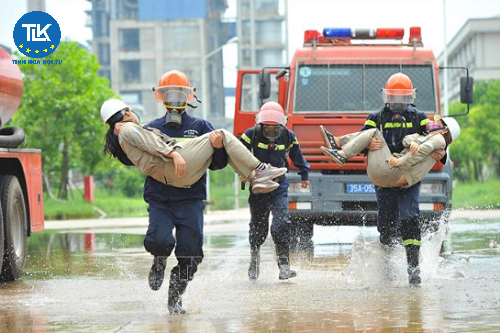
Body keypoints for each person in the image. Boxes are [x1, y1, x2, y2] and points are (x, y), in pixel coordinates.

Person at [103, 70, 223, 315]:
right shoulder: (149, 128)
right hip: (161, 198)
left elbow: (217, 163)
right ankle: (159, 260)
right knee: (160, 240)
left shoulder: (201, 127)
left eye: (180, 95)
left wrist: (219, 148)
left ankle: (175, 298)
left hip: (191, 198)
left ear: (189, 97)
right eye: (169, 95)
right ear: (160, 97)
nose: (175, 101)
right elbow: (130, 159)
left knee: (191, 255)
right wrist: (120, 134)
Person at [323, 72, 447, 285]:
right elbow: (362, 142)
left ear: (410, 97)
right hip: (385, 170)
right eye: (394, 97)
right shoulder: (376, 117)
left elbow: (436, 137)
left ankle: (413, 268)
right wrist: (370, 145)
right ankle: (388, 269)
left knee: (410, 218)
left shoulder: (419, 117)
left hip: (407, 175)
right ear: (386, 97)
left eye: (403, 98)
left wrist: (441, 153)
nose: (398, 102)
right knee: (386, 225)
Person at [101, 99, 287, 192]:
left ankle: (254, 177)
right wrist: (173, 154)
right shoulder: (127, 130)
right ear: (125, 113)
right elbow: (152, 144)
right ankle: (260, 170)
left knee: (220, 141)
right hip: (171, 165)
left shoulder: (122, 135)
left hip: (173, 178)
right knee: (221, 134)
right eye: (130, 111)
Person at [240, 102, 311, 280]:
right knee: (259, 227)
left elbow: (298, 156)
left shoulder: (288, 136)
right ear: (260, 125)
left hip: (279, 185)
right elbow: (236, 154)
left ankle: (284, 266)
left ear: (281, 125)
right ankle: (254, 257)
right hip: (258, 186)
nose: (271, 132)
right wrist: (241, 173)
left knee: (282, 223)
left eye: (274, 128)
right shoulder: (251, 134)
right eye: (267, 128)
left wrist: (304, 175)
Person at [320, 116, 460, 189]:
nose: (433, 124)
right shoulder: (428, 137)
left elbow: (422, 152)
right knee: (372, 134)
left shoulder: (439, 139)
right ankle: (338, 144)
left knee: (374, 132)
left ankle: (341, 151)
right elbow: (407, 140)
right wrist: (413, 142)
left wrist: (400, 160)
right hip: (388, 176)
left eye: (438, 123)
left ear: (445, 130)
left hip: (395, 170)